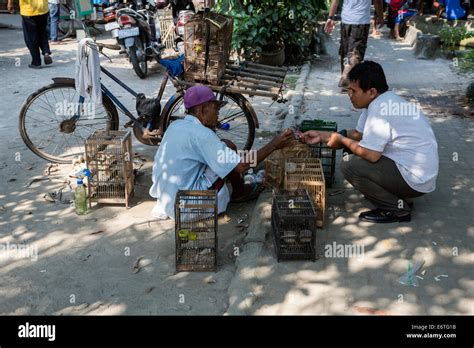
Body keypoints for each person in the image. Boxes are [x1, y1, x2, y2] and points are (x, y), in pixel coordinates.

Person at [298, 61, 439, 223]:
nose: (349, 95)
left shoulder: (381, 109)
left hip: (415, 180)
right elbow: (358, 134)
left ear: (371, 91)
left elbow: (371, 155)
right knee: (351, 149)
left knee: (349, 164)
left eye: (353, 91)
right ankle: (401, 197)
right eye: (348, 90)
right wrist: (323, 135)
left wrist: (342, 140)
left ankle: (398, 210)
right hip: (417, 174)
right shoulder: (381, 101)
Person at [149, 85, 294, 220]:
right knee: (230, 155)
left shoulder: (176, 125)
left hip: (166, 199)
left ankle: (238, 187)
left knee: (226, 146)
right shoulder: (202, 134)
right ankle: (239, 192)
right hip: (187, 208)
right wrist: (274, 144)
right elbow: (241, 166)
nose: (218, 114)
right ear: (202, 109)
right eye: (215, 109)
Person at [325, 0, 384, 91]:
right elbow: (378, 2)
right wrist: (381, 17)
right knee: (356, 52)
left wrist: (330, 17)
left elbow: (335, 1)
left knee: (345, 50)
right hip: (361, 21)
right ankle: (347, 79)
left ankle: (348, 80)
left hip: (346, 20)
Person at [7, 0, 53, 68]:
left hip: (29, 11)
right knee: (42, 32)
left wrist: (10, 3)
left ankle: (36, 62)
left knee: (31, 37)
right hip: (43, 9)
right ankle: (46, 52)